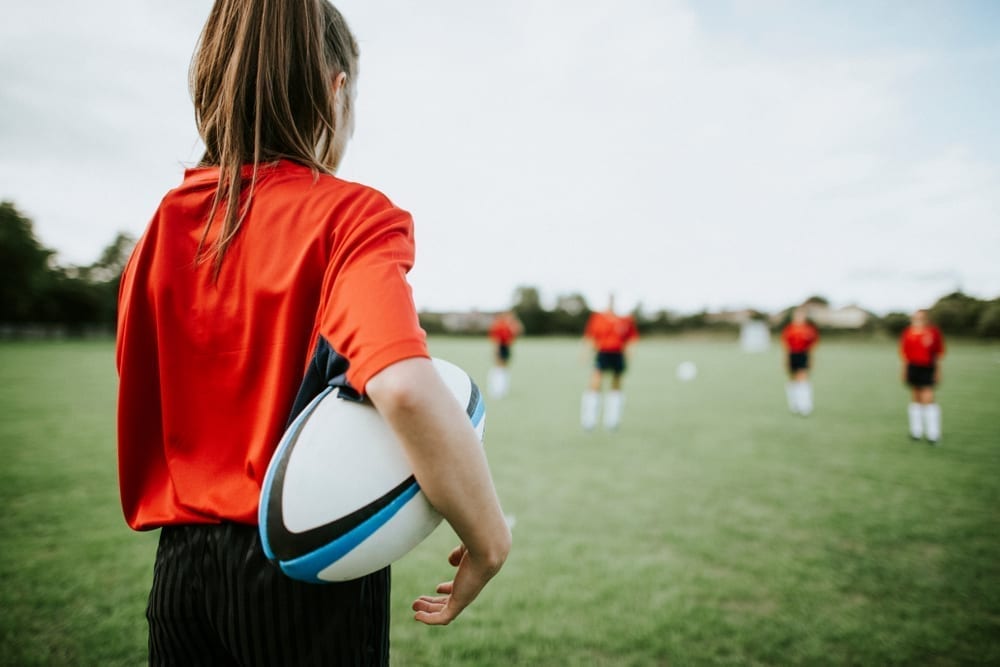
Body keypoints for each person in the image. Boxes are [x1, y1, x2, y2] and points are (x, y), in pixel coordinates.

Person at [115, 2, 510, 663]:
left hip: (179, 575)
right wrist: (489, 538)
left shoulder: (165, 222)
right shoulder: (350, 217)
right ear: (337, 88)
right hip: (303, 569)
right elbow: (405, 386)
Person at [580, 295, 639, 430]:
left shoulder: (626, 318)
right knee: (595, 384)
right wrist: (586, 353)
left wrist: (630, 352)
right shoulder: (598, 317)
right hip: (603, 353)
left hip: (618, 354)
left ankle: (612, 421)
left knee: (616, 385)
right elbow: (590, 336)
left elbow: (632, 338)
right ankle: (589, 420)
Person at [900, 309, 946, 444]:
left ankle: (933, 433)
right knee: (915, 397)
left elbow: (938, 353)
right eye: (915, 317)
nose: (918, 319)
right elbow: (905, 354)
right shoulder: (908, 332)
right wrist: (904, 371)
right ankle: (916, 431)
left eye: (921, 317)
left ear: (926, 318)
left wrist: (938, 371)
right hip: (913, 367)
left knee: (928, 398)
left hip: (927, 368)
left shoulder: (933, 332)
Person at [781, 307, 820, 416]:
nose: (799, 317)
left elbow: (812, 346)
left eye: (801, 315)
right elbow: (786, 346)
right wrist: (786, 359)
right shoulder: (789, 329)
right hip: (792, 355)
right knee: (792, 379)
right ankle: (794, 404)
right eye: (797, 315)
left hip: (803, 354)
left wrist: (811, 359)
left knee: (802, 378)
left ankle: (805, 405)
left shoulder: (809, 329)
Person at [487, 310, 522, 398]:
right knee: (498, 368)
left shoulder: (508, 325)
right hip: (501, 347)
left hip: (506, 347)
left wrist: (514, 322)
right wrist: (497, 350)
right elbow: (496, 339)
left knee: (504, 368)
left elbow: (519, 331)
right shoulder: (499, 325)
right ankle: (496, 389)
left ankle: (501, 388)